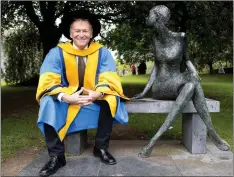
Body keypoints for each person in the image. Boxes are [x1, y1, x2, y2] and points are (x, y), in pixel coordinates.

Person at [36, 10, 129, 177]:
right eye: (77, 31)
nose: (81, 34)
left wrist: (97, 94)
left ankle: (101, 148)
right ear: (70, 33)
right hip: (66, 97)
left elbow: (108, 77)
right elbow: (48, 80)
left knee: (110, 98)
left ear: (91, 33)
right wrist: (66, 97)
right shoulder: (57, 52)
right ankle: (56, 156)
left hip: (93, 97)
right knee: (47, 102)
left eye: (85, 30)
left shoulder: (102, 52)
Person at [133, 5, 230, 158]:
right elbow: (157, 67)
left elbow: (187, 60)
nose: (147, 16)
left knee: (192, 84)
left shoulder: (181, 38)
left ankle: (153, 141)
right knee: (192, 82)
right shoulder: (154, 38)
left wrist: (195, 72)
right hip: (161, 86)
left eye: (150, 14)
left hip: (177, 82)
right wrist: (145, 91)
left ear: (158, 17)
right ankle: (213, 134)